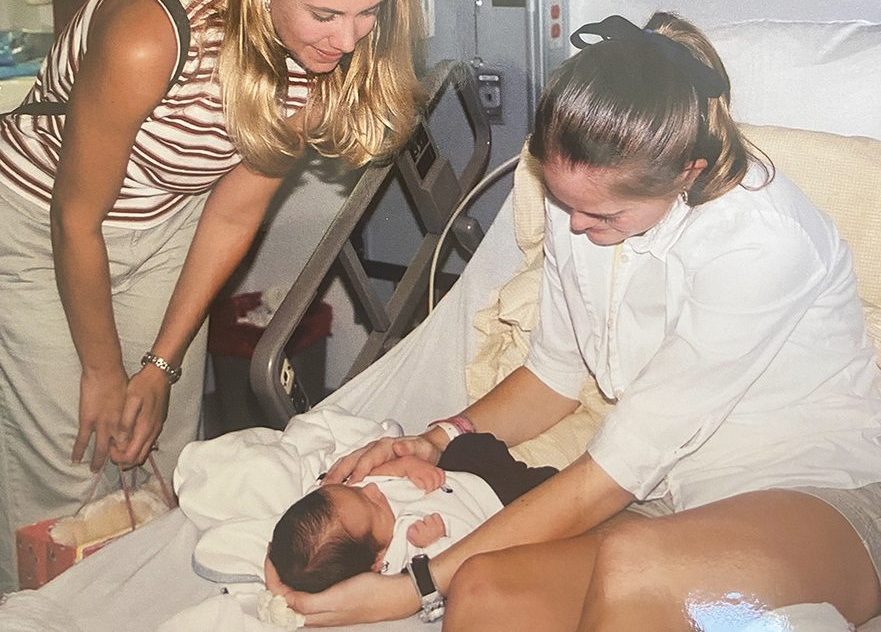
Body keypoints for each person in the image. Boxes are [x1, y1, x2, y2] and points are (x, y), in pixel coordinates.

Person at [264, 12, 881, 631]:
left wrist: (411, 586)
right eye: (564, 203)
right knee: (483, 588)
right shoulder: (578, 202)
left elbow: (614, 472)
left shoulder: (760, 244)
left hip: (814, 497)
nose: (577, 228)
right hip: (667, 499)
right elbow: (554, 376)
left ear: (686, 173)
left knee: (633, 568)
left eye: (606, 215)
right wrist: (436, 439)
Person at [0, 0, 425, 592]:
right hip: (40, 225)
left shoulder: (322, 65)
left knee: (165, 454)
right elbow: (76, 220)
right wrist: (102, 369)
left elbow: (231, 216)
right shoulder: (153, 33)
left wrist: (158, 366)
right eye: (325, 14)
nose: (348, 41)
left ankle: (141, 606)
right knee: (75, 458)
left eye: (367, 14)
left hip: (168, 219)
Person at [267, 433, 557, 593]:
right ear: (377, 560)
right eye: (373, 506)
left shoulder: (356, 497)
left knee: (468, 445)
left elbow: (381, 474)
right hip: (496, 510)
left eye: (355, 490)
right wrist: (437, 540)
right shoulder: (400, 560)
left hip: (456, 474)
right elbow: (450, 573)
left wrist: (409, 467)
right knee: (548, 492)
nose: (372, 491)